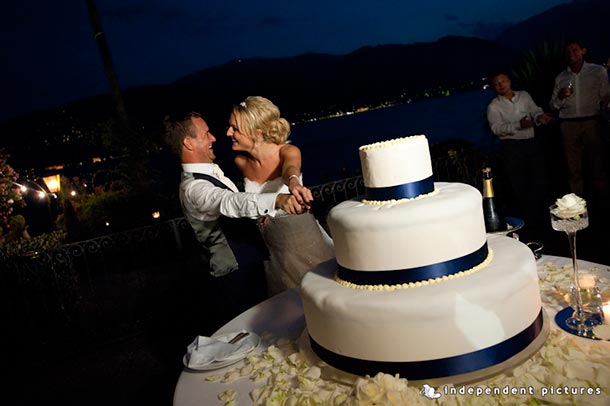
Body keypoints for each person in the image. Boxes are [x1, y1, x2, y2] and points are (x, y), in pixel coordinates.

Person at [164, 111, 305, 325]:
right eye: (207, 133)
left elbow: (234, 211)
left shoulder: (210, 173)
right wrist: (276, 200)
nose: (213, 138)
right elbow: (229, 203)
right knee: (253, 333)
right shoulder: (194, 187)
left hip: (251, 264)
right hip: (234, 277)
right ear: (189, 143)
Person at [227, 96, 334, 294]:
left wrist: (293, 182)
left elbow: (290, 169)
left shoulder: (288, 151)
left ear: (256, 133)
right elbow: (253, 202)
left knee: (321, 294)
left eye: (235, 129)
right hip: (273, 249)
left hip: (302, 240)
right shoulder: (240, 162)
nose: (228, 133)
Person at [487, 71, 553, 239]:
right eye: (497, 83)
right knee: (519, 185)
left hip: (531, 143)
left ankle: (544, 219)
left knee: (539, 180)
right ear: (494, 87)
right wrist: (518, 125)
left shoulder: (524, 96)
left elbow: (535, 111)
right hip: (511, 148)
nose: (501, 85)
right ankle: (527, 223)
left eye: (503, 81)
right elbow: (496, 128)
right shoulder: (494, 106)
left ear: (509, 81)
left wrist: (540, 118)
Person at [550, 39, 610, 211]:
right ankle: (577, 207)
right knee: (573, 168)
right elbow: (552, 106)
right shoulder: (561, 77)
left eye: (575, 50)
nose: (571, 54)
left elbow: (606, 97)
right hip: (568, 124)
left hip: (592, 122)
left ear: (583, 51)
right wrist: (561, 97)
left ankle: (604, 206)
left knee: (598, 165)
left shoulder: (597, 71)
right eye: (568, 52)